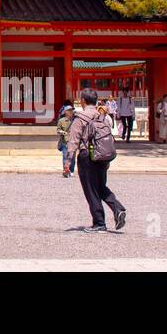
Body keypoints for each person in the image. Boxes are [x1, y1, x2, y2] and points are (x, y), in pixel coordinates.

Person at [63, 88, 126, 232]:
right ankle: (118, 208)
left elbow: (73, 141)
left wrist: (68, 162)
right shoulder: (102, 116)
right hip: (103, 155)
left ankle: (99, 223)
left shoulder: (80, 118)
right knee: (101, 187)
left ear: (83, 101)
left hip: (87, 156)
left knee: (91, 190)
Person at [56, 104, 76, 177]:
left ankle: (72, 170)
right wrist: (62, 132)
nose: (71, 112)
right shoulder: (61, 121)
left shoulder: (75, 120)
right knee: (65, 156)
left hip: (73, 142)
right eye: (69, 110)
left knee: (73, 158)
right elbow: (58, 130)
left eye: (72, 110)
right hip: (65, 141)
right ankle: (65, 170)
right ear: (66, 112)